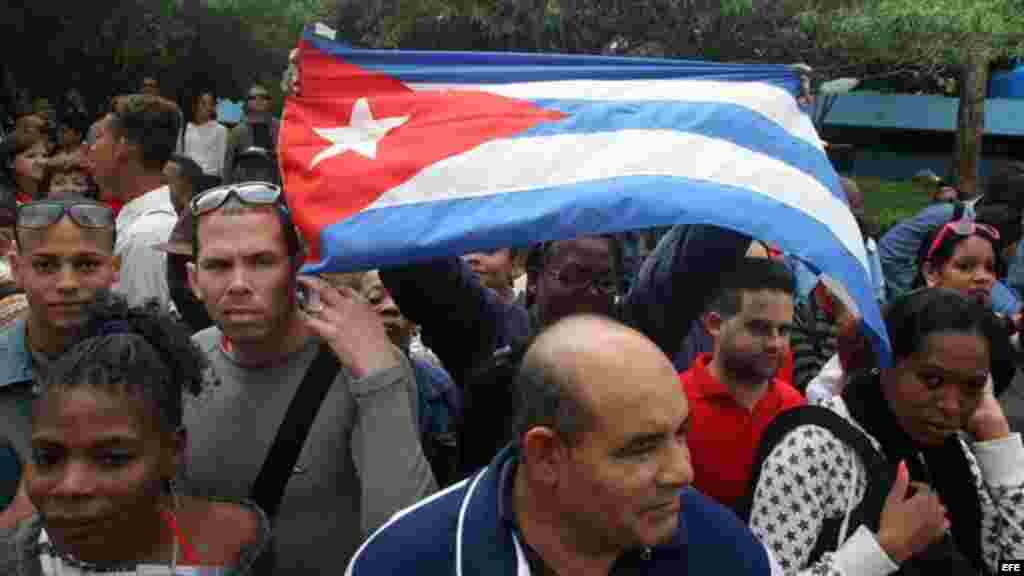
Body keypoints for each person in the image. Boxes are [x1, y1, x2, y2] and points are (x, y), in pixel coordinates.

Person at [345, 315, 783, 575]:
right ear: (546, 456)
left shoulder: (729, 554)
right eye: (642, 448)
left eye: (681, 434)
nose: (681, 472)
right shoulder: (405, 563)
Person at [183, 182, 436, 568]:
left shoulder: (361, 362)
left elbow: (407, 541)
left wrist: (379, 379)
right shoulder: (183, 361)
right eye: (218, 265)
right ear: (193, 280)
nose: (238, 284)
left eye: (261, 262)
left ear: (297, 269)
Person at [382, 224, 754, 479]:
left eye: (604, 281)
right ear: (535, 279)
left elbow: (698, 255)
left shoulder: (631, 334)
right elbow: (413, 263)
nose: (591, 293)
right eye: (574, 277)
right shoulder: (489, 331)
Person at [744, 288, 1024, 575]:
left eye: (972, 387)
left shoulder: (955, 456)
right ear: (886, 363)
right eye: (932, 380)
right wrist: (884, 549)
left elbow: (1012, 567)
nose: (952, 406)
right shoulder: (812, 447)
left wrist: (1001, 450)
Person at [0, 295, 275, 574]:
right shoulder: (15, 559)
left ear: (174, 450)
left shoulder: (237, 546)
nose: (71, 486)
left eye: (112, 459)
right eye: (48, 458)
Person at [0, 197, 119, 522]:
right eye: (46, 265)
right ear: (17, 267)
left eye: (86, 265)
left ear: (114, 269)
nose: (67, 283)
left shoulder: (157, 369)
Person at [679, 257, 805, 512]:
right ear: (714, 324)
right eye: (759, 328)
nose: (775, 343)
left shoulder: (795, 408)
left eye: (783, 331)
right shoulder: (673, 404)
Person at [87, 94, 179, 308]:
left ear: (124, 146)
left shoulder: (147, 236)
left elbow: (138, 336)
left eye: (99, 137)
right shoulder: (139, 226)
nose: (91, 148)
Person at [223, 85, 279, 182]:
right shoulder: (237, 131)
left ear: (270, 102)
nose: (258, 100)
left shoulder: (280, 129)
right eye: (253, 98)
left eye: (263, 97)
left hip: (274, 185)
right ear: (247, 102)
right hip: (244, 186)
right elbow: (228, 165)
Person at [182, 91, 227, 189]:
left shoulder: (220, 129)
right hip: (187, 180)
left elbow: (222, 159)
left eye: (210, 104)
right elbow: (180, 155)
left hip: (210, 180)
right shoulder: (185, 128)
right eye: (203, 103)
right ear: (195, 105)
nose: (207, 107)